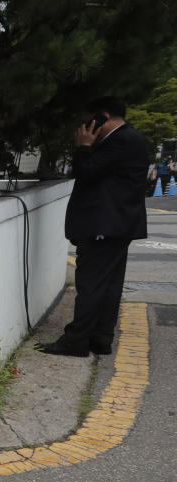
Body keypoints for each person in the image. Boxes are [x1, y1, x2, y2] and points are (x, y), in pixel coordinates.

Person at [36, 96, 148, 357]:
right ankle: (100, 338)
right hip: (116, 224)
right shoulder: (130, 139)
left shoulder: (121, 140)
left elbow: (86, 172)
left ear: (103, 117)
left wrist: (84, 147)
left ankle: (75, 341)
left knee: (91, 285)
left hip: (104, 224)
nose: (84, 129)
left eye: (88, 123)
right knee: (108, 285)